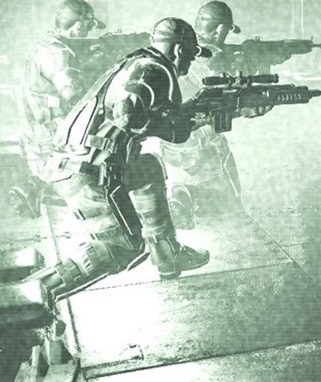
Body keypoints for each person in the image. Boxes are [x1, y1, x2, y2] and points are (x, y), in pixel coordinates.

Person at [34, 17, 212, 299]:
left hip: (76, 163)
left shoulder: (139, 63)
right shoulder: (154, 71)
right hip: (87, 173)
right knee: (122, 248)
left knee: (148, 168)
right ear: (179, 49)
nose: (190, 62)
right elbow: (127, 114)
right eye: (191, 54)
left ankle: (168, 256)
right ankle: (37, 292)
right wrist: (177, 124)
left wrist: (194, 116)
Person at [11, 0, 109, 219]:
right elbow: (75, 96)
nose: (90, 31)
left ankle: (37, 188)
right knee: (95, 205)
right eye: (89, 25)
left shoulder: (47, 45)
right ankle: (36, 189)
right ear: (79, 24)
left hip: (45, 136)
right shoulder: (57, 54)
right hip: (56, 140)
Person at [156, 1, 250, 225]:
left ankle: (184, 200)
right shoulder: (208, 56)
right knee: (227, 203)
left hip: (177, 136)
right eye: (226, 30)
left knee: (220, 199)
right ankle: (181, 197)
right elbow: (222, 93)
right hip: (198, 137)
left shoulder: (185, 47)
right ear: (221, 28)